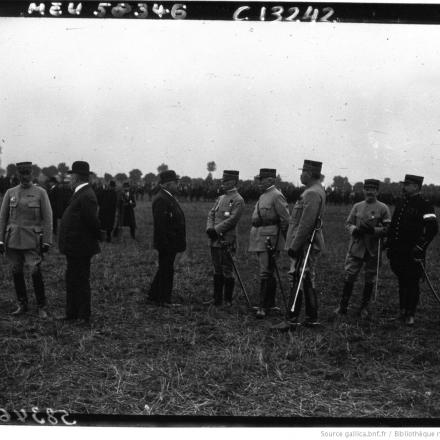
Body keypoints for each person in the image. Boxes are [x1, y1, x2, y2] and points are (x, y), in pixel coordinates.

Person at [0, 161, 52, 318]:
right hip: (13, 240)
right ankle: (22, 304)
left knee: (35, 272)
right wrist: (0, 240)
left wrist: (47, 241)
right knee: (16, 272)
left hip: (32, 241)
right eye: (21, 174)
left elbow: (48, 218)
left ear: (32, 174)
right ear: (18, 175)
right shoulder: (10, 193)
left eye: (27, 173)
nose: (25, 177)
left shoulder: (40, 193)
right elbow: (2, 218)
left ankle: (41, 306)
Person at [387, 174, 438, 326]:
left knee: (412, 282)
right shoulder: (402, 202)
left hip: (412, 252)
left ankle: (410, 314)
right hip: (398, 250)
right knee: (402, 281)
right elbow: (394, 224)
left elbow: (432, 229)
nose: (404, 187)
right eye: (404, 184)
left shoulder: (425, 204)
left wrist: (419, 247)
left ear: (416, 186)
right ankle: (402, 311)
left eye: (407, 184)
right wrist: (389, 242)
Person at [335, 179, 391, 318]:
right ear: (363, 190)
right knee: (350, 275)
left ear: (377, 191)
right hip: (356, 247)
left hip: (372, 248)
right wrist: (355, 230)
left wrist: (374, 230)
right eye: (367, 189)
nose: (370, 192)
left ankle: (364, 308)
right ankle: (343, 306)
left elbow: (388, 229)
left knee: (370, 278)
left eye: (373, 189)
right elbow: (348, 223)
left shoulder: (383, 208)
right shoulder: (357, 206)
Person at [58, 161, 101, 325]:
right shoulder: (81, 193)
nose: (69, 179)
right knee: (72, 279)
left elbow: (93, 222)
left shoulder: (86, 195)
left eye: (71, 176)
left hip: (80, 248)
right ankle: (72, 313)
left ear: (76, 177)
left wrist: (92, 239)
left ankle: (83, 316)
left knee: (81, 280)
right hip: (74, 247)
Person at [285, 160, 326, 327]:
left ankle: (292, 319)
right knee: (307, 277)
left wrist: (295, 246)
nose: (301, 175)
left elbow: (305, 223)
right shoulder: (317, 190)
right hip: (308, 241)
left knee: (299, 276)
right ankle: (311, 317)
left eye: (302, 172)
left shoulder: (311, 193)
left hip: (305, 243)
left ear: (309, 174)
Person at [249, 168, 290, 319]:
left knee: (266, 272)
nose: (258, 182)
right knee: (267, 271)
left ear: (271, 180)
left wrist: (285, 241)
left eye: (262, 179)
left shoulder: (276, 196)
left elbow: (286, 219)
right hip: (261, 237)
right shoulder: (264, 195)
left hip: (270, 239)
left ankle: (263, 306)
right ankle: (269, 304)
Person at [206, 170, 244, 306]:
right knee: (217, 268)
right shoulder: (221, 198)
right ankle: (217, 299)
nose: (223, 184)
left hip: (226, 239)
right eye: (223, 181)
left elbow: (232, 220)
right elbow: (211, 214)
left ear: (233, 182)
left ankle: (227, 300)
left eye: (226, 181)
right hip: (214, 239)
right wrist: (209, 228)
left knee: (227, 269)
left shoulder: (238, 200)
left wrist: (216, 230)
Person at [148, 170, 186, 306]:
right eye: (176, 183)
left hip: (170, 242)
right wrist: (164, 244)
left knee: (165, 269)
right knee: (167, 271)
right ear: (168, 185)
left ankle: (154, 296)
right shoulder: (162, 199)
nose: (178, 186)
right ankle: (163, 299)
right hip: (167, 243)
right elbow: (160, 225)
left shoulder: (167, 197)